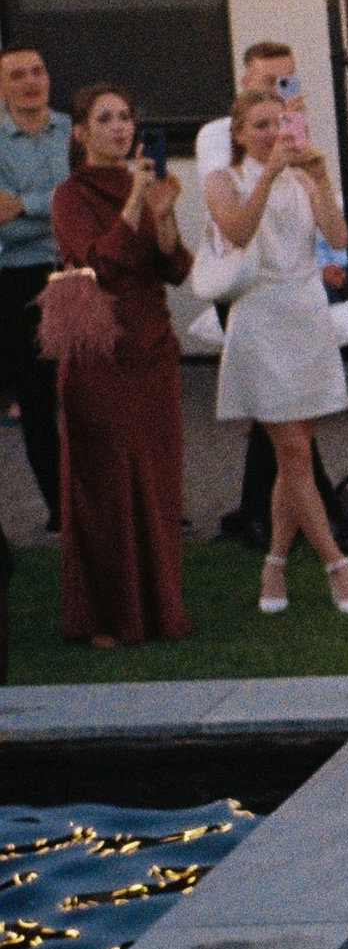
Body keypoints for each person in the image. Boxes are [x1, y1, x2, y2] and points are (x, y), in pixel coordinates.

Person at [202, 90, 348, 616]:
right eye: (259, 125)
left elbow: (339, 238)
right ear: (238, 133)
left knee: (291, 454)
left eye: (280, 123)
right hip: (260, 319)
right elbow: (238, 230)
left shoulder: (302, 176)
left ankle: (274, 566)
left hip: (307, 315)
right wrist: (270, 173)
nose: (272, 133)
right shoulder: (223, 180)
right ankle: (337, 566)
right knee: (294, 453)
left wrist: (318, 176)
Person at [49, 83, 189, 647]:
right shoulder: (69, 194)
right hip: (99, 350)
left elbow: (175, 266)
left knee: (156, 479)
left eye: (126, 117)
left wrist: (166, 213)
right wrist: (135, 197)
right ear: (80, 132)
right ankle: (108, 615)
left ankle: (159, 608)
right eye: (105, 119)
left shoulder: (149, 187)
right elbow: (100, 260)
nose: (119, 127)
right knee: (106, 480)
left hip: (152, 344)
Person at [196, 40, 301, 551]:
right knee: (271, 407)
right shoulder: (218, 136)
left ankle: (267, 511)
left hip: (288, 279)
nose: (275, 92)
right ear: (244, 82)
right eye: (266, 82)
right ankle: (268, 514)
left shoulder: (291, 125)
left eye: (286, 82)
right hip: (244, 278)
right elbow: (229, 207)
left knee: (284, 408)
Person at [0, 45, 71, 528]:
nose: (31, 81)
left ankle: (106, 496)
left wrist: (25, 205)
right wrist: (64, 210)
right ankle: (62, 510)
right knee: (39, 397)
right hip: (20, 278)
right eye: (17, 75)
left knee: (94, 390)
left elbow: (90, 196)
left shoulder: (76, 130)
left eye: (38, 71)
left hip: (82, 269)